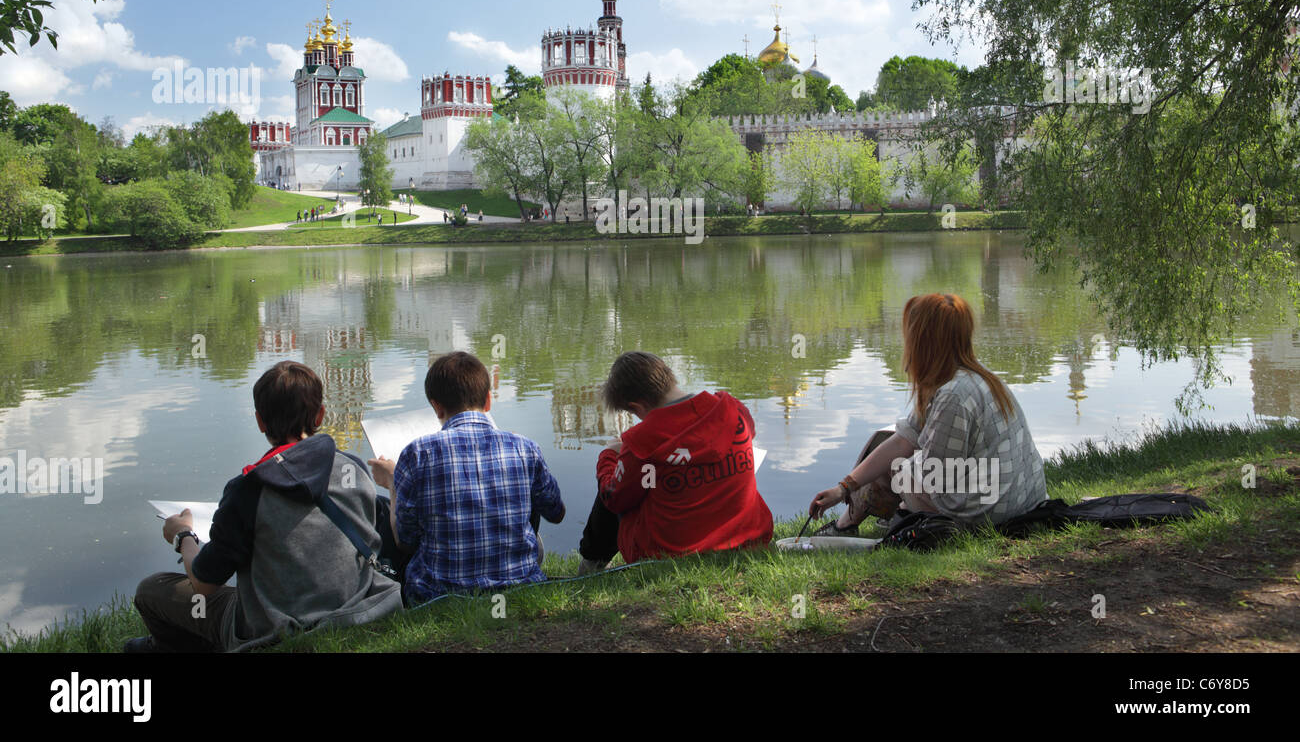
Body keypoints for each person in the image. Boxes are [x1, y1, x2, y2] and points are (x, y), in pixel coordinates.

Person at [128, 361, 402, 652]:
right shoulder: (353, 469)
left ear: (260, 421)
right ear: (321, 415)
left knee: (151, 590)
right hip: (358, 606)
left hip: (276, 627)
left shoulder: (247, 490)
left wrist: (183, 535)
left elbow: (203, 584)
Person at [808, 293, 1047, 535]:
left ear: (923, 341)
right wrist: (843, 488)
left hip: (990, 513)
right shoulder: (974, 376)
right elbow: (904, 439)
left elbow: (935, 477)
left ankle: (849, 526)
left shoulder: (953, 395)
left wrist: (894, 484)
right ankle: (851, 522)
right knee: (893, 441)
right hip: (1019, 501)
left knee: (896, 465)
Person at [368, 352, 565, 604]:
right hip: (521, 586)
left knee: (384, 511)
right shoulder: (524, 447)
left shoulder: (416, 453)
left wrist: (393, 483)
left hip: (437, 595)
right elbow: (556, 513)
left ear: (436, 407)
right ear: (488, 401)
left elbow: (405, 542)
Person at [577, 352, 773, 574]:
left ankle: (591, 565)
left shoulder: (641, 441)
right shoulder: (733, 409)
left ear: (637, 407)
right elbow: (742, 434)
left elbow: (614, 498)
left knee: (613, 485)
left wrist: (610, 456)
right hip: (748, 538)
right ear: (669, 377)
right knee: (643, 479)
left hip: (669, 554)